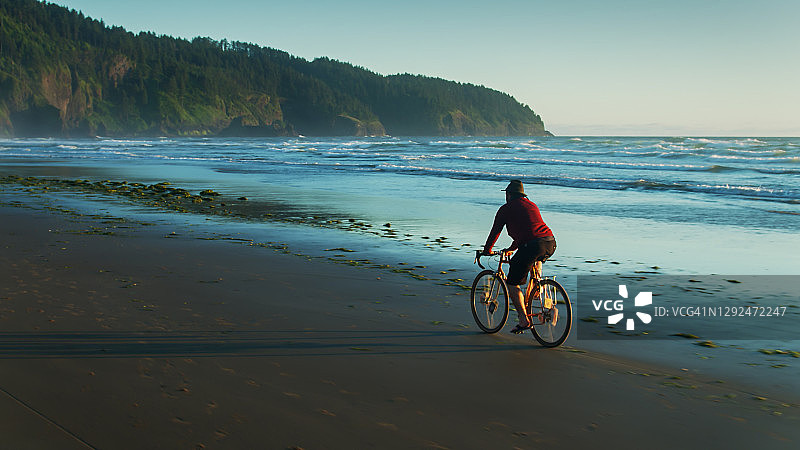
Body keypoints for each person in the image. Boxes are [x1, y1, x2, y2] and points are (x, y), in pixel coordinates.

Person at [482, 180, 556, 334]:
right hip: (550, 242)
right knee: (532, 262)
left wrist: (487, 250)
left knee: (512, 283)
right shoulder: (531, 205)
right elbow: (529, 231)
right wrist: (512, 248)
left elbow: (495, 231)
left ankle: (524, 320)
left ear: (508, 195)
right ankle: (537, 289)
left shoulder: (505, 209)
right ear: (522, 194)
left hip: (532, 245)